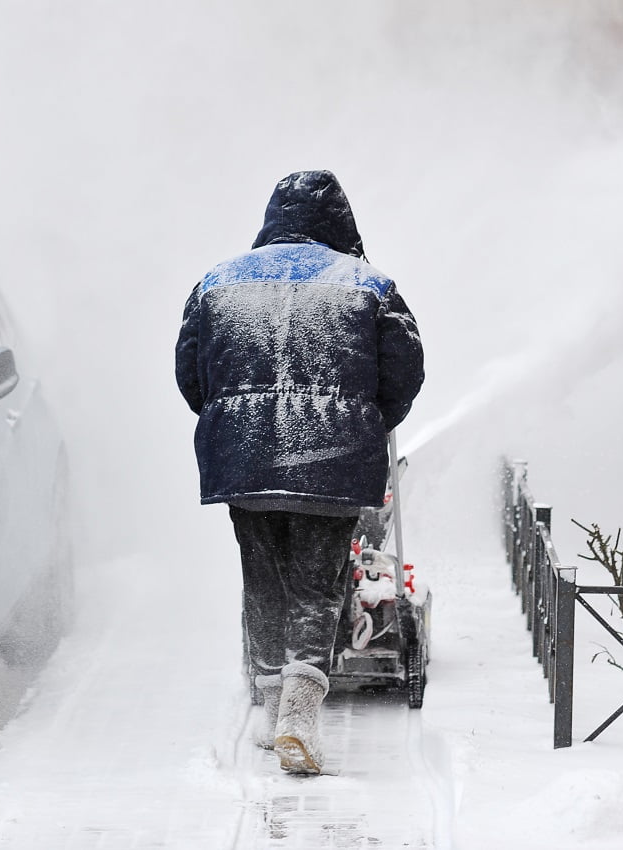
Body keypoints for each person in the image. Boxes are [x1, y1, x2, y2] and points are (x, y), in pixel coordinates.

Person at [176, 170, 424, 775]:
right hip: (332, 463)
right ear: (341, 223)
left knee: (263, 581)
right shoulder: (371, 286)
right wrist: (364, 424)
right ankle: (300, 718)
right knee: (317, 587)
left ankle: (268, 710)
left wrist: (233, 419)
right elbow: (406, 371)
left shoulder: (216, 282)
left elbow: (190, 371)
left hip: (246, 458)